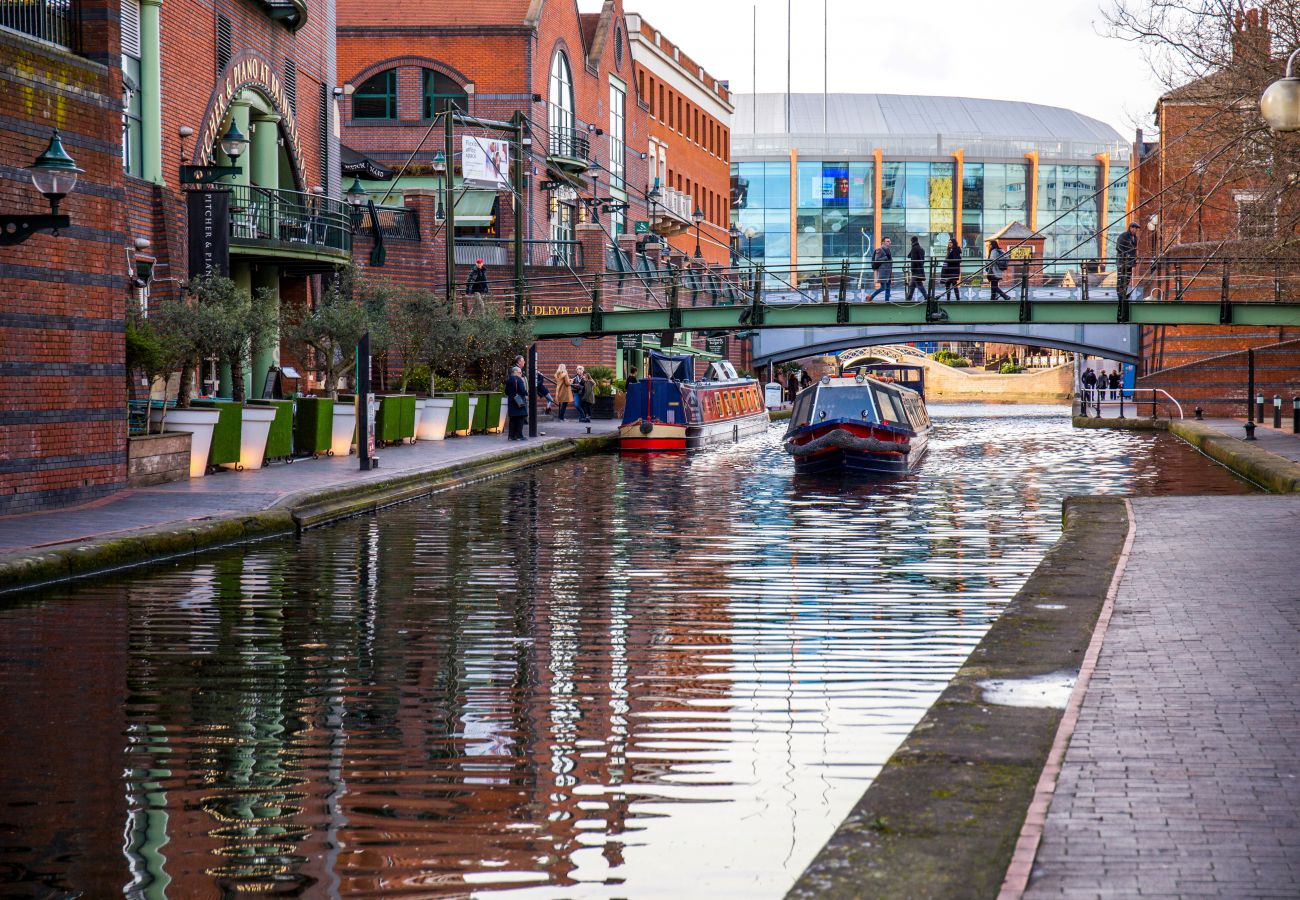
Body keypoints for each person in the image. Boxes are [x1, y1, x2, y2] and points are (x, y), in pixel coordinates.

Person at [1116, 222, 1139, 300]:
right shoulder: (1123, 236)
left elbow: (1134, 250)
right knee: (1121, 278)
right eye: (1134, 228)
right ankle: (1120, 295)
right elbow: (1118, 247)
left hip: (1130, 262)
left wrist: (1134, 258)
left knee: (1127, 278)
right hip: (1122, 262)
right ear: (1130, 228)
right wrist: (1125, 255)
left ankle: (1124, 293)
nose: (1135, 230)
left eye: (1136, 229)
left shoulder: (1135, 238)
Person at [505, 365, 528, 440]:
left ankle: (511, 436)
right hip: (519, 401)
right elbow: (522, 390)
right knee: (520, 418)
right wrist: (526, 393)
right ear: (515, 372)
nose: (521, 374)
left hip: (511, 401)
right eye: (520, 372)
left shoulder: (509, 380)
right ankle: (519, 435)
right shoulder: (519, 380)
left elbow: (506, 392)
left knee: (512, 419)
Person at [868, 238, 893, 302]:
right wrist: (886, 257)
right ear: (883, 242)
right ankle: (871, 296)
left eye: (889, 241)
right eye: (887, 241)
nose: (889, 242)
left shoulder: (888, 250)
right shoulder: (879, 249)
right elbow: (877, 260)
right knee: (883, 287)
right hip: (883, 272)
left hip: (888, 271)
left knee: (888, 288)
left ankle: (887, 301)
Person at [906, 236, 928, 301]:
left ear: (912, 241)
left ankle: (926, 296)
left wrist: (912, 269)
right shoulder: (921, 249)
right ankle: (909, 298)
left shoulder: (914, 249)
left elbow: (913, 260)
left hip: (916, 270)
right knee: (913, 285)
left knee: (918, 284)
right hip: (920, 269)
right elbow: (909, 256)